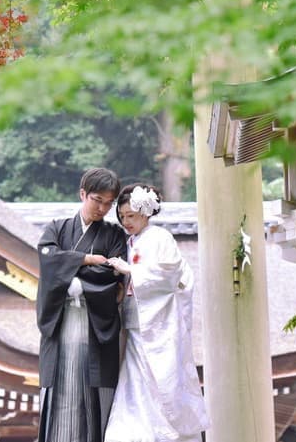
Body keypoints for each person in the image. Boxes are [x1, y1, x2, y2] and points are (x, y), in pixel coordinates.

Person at [104, 183, 210, 442]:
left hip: (158, 326)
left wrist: (131, 271)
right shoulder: (130, 242)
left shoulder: (160, 238)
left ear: (145, 213)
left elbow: (171, 275)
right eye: (122, 216)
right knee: (134, 384)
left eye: (131, 215)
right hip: (136, 326)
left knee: (162, 382)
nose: (125, 221)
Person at [36, 167, 128, 442]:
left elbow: (112, 273)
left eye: (108, 203)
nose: (102, 208)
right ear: (82, 194)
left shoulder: (114, 235)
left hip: (94, 323)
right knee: (60, 392)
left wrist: (69, 274)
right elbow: (47, 259)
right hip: (62, 322)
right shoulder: (57, 227)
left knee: (93, 395)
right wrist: (86, 260)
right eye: (97, 199)